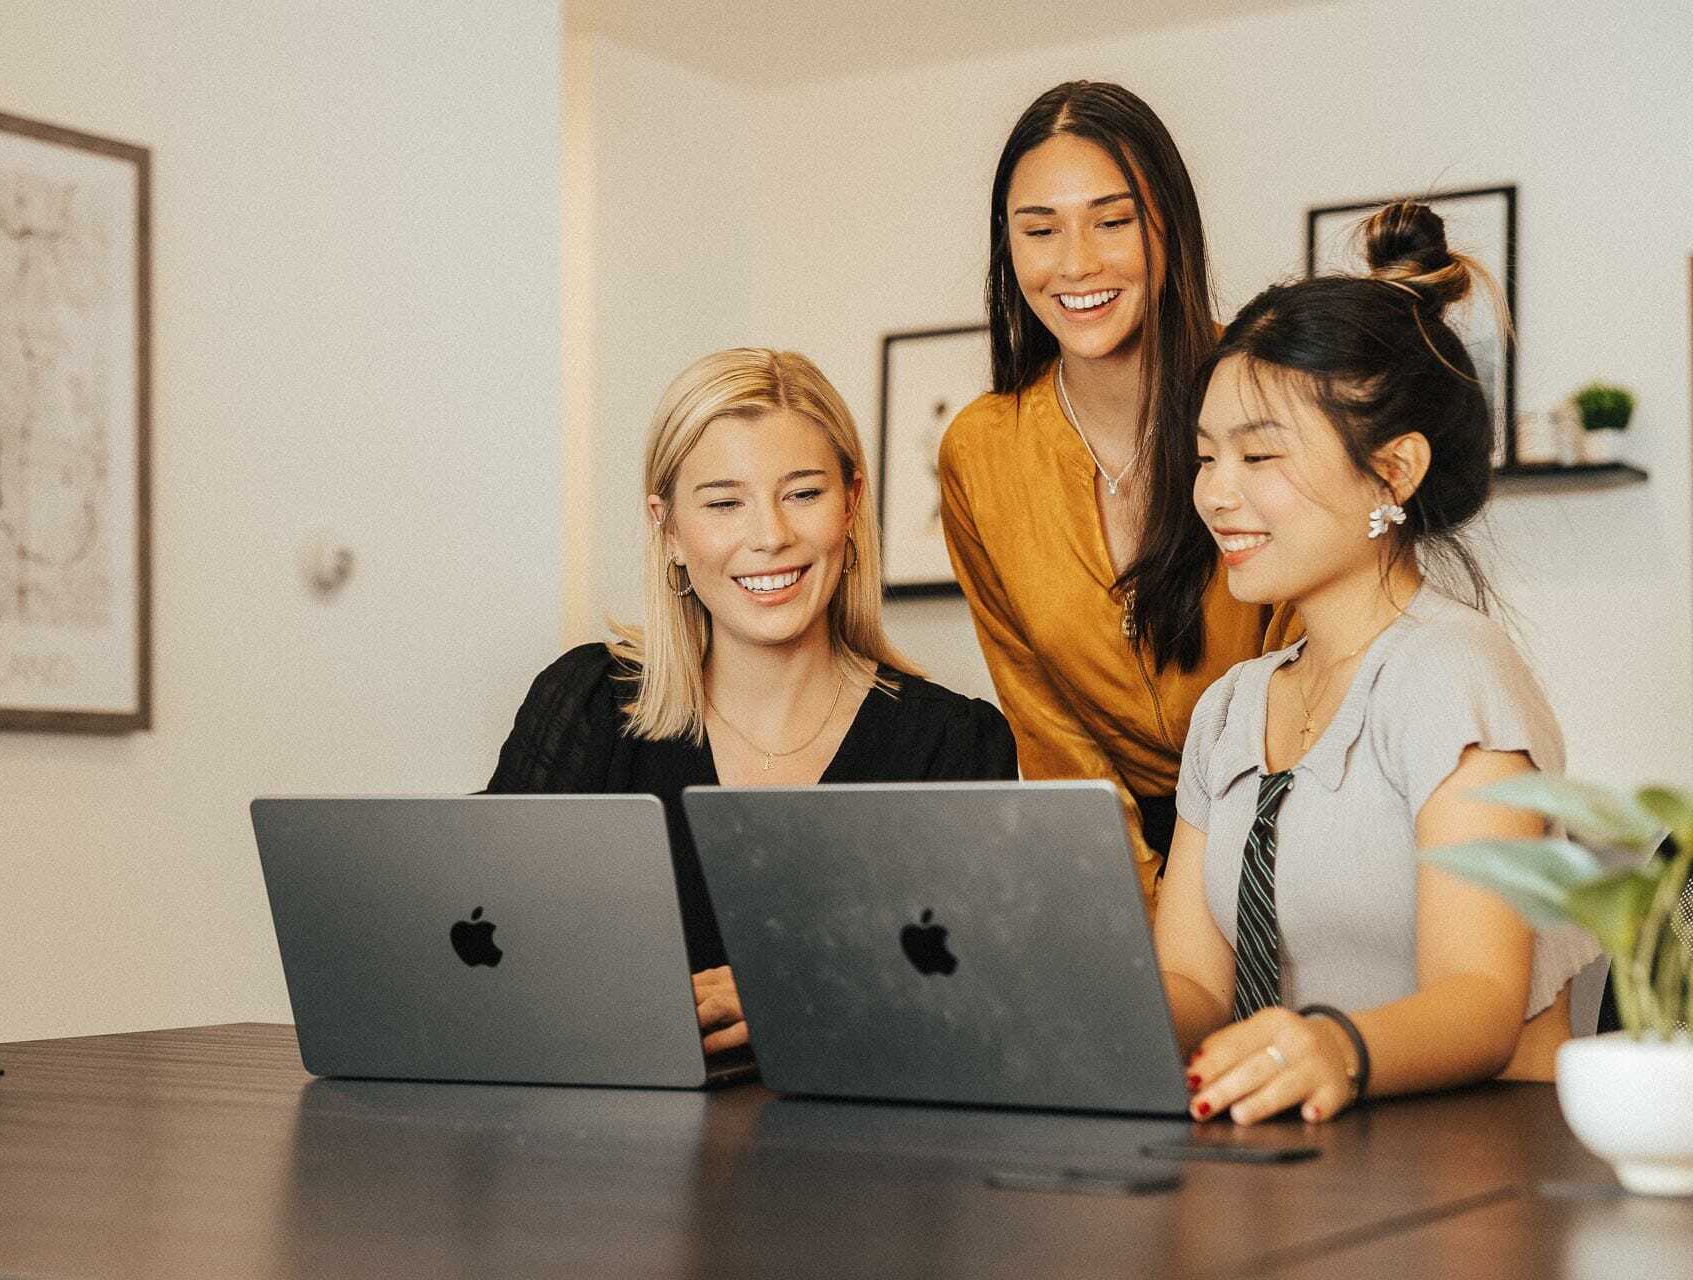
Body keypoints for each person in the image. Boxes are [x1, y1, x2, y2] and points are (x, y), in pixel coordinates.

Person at [1153, 201, 1600, 1125]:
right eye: (1205, 456)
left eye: (1259, 455)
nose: (1217, 493)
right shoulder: (1230, 709)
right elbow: (1195, 980)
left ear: (1393, 471)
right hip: (1297, 1152)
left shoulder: (1454, 671)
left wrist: (1331, 1045)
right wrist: (1076, 1020)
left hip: (1473, 1156)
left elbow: (1478, 999)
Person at [489, 348, 1017, 1058]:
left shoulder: (954, 743)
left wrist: (801, 991)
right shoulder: (585, 704)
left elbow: (978, 1008)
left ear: (852, 503)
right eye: (724, 503)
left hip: (861, 1160)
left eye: (803, 493)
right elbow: (490, 964)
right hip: (610, 1154)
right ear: (669, 528)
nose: (770, 536)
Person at [940, 81, 1291, 909]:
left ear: (1168, 224)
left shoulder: (1272, 398)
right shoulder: (982, 451)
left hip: (1291, 833)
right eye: (1040, 229)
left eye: (1112, 219)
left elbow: (1307, 673)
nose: (1075, 263)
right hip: (1112, 868)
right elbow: (1044, 721)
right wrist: (1149, 911)